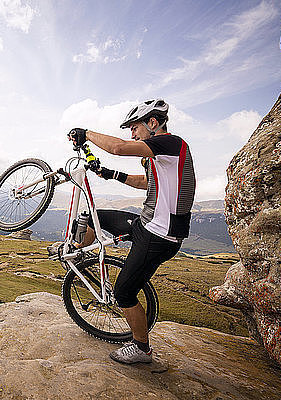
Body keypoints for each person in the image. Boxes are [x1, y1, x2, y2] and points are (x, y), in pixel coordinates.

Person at [68, 99, 196, 364]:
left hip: (160, 237)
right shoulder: (158, 156)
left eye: (135, 128)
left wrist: (86, 133)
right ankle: (81, 264)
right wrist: (112, 174)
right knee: (92, 217)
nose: (132, 134)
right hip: (145, 225)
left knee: (124, 293)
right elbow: (146, 183)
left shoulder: (170, 143)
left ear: (153, 123)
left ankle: (141, 349)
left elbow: (118, 147)